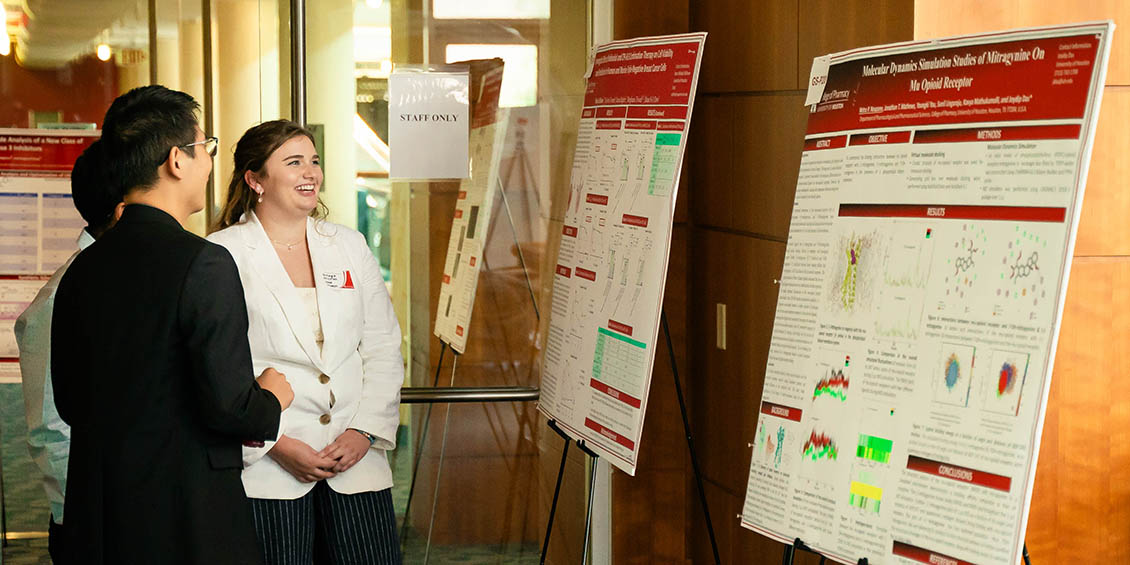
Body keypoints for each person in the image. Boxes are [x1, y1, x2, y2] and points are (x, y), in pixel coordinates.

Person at [50, 85, 295, 565]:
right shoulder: (203, 262)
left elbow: (70, 400)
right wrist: (272, 397)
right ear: (176, 161)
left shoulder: (83, 268)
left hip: (101, 517)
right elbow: (231, 408)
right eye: (206, 147)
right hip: (186, 517)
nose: (208, 162)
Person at [209, 119, 404, 565]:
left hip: (356, 460)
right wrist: (273, 442)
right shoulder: (223, 253)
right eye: (294, 162)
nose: (310, 172)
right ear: (255, 180)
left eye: (314, 161)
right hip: (272, 465)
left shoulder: (348, 246)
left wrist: (364, 431)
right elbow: (217, 369)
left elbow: (381, 346)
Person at [15, 140, 124, 562]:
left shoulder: (122, 282)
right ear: (121, 211)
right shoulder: (65, 294)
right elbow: (49, 429)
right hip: (94, 523)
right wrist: (85, 518)